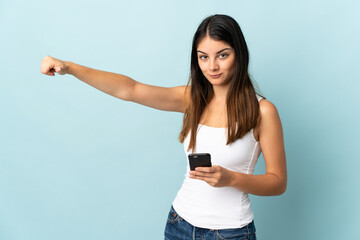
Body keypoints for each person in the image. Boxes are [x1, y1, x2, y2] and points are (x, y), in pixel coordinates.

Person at [40, 14, 287, 240]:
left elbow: (278, 182)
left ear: (238, 54)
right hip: (179, 224)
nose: (212, 66)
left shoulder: (263, 111)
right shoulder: (193, 99)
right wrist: (70, 68)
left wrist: (231, 178)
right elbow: (131, 89)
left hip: (231, 232)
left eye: (222, 55)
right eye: (203, 57)